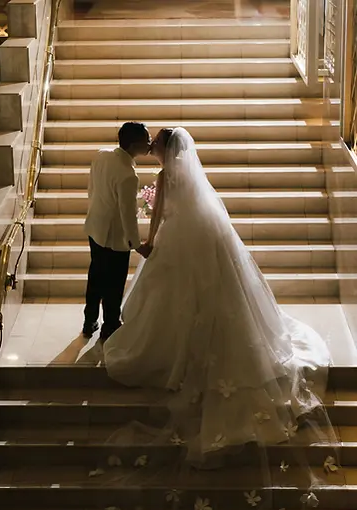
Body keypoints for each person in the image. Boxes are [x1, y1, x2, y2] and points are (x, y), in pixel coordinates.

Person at [104, 127, 333, 463]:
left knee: (173, 297)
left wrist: (149, 242)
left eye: (156, 143)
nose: (152, 146)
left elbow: (157, 214)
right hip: (204, 234)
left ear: (165, 149)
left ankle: (172, 359)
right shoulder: (190, 173)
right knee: (213, 293)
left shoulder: (165, 175)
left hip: (176, 240)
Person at [83, 121, 152, 340]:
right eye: (146, 140)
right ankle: (110, 325)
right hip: (113, 238)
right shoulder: (128, 175)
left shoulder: (101, 155)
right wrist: (137, 244)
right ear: (134, 144)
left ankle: (89, 320)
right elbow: (127, 215)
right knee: (114, 284)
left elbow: (91, 189)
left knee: (96, 276)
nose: (150, 143)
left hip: (95, 227)